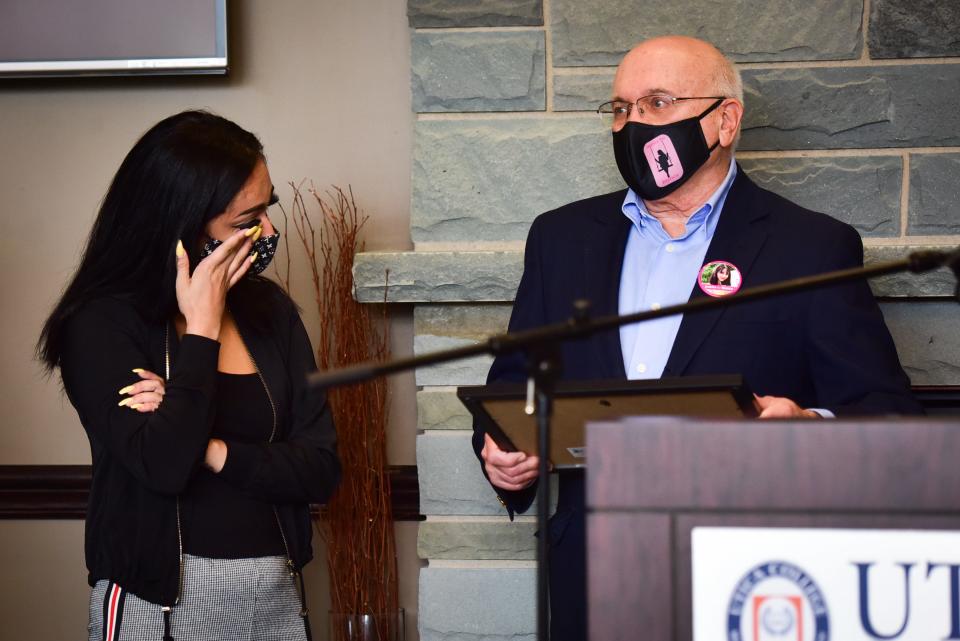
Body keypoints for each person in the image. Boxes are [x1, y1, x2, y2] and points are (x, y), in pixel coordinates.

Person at [472, 36, 921, 641]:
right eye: (622, 108)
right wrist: (501, 450)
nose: (634, 124)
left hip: (754, 583)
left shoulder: (812, 248)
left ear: (726, 121)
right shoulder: (560, 239)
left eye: (658, 103)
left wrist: (811, 429)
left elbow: (888, 416)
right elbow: (513, 387)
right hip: (594, 576)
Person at [37, 110, 340, 641]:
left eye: (267, 211)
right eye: (245, 222)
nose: (266, 232)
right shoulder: (101, 323)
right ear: (180, 224)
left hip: (273, 602)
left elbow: (320, 470)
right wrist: (202, 328)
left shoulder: (271, 314)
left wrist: (213, 449)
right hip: (156, 613)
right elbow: (162, 464)